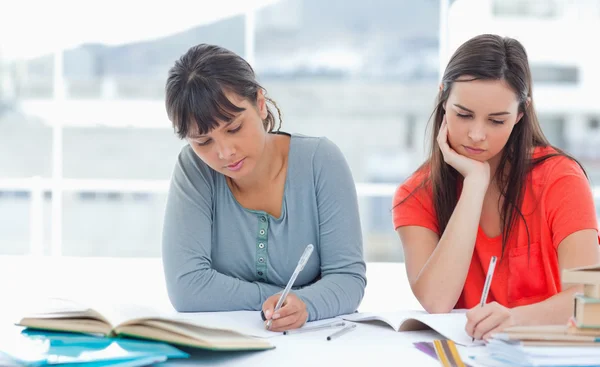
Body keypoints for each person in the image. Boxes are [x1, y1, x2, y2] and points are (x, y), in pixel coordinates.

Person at [392, 34, 600, 340]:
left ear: (520, 114)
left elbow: (591, 298)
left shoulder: (560, 179)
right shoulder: (415, 194)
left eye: (496, 121)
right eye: (463, 115)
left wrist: (516, 319)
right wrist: (475, 185)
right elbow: (437, 301)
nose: (477, 135)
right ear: (443, 100)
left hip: (544, 352)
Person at [161, 44, 366, 332]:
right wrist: (280, 297)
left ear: (259, 104)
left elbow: (347, 279)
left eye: (233, 128)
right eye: (203, 141)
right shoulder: (194, 170)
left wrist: (305, 305)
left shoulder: (321, 162)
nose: (225, 152)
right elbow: (186, 288)